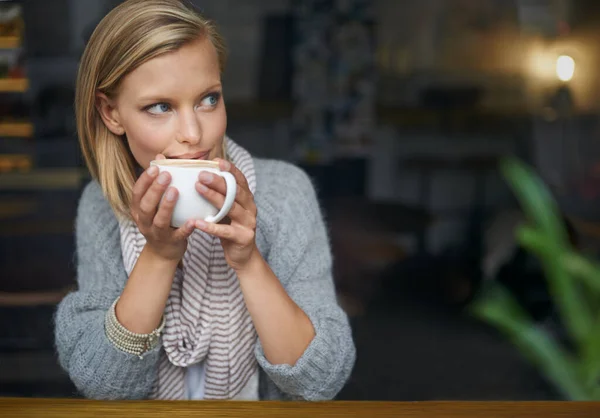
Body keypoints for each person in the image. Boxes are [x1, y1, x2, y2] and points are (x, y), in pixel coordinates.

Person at [54, 0, 355, 401]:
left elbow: (321, 382)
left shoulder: (285, 193)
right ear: (111, 113)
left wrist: (248, 261)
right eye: (160, 107)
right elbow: (106, 387)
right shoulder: (102, 205)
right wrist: (158, 257)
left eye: (208, 99)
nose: (193, 133)